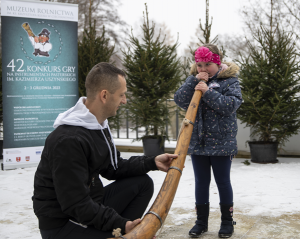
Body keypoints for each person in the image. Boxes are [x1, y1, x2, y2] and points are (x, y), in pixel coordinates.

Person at [32, 62, 178, 239]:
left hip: (88, 206)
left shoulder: (97, 126)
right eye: (122, 95)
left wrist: (151, 162)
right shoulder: (68, 141)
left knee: (142, 183)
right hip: (62, 224)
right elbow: (76, 204)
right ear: (104, 95)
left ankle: (124, 232)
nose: (124, 100)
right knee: (120, 224)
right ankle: (121, 232)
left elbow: (113, 168)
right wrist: (121, 224)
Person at [174, 44, 242, 238]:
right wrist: (192, 82)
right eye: (199, 65)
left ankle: (227, 222)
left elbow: (230, 106)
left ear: (217, 62)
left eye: (208, 64)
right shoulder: (194, 80)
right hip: (199, 143)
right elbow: (179, 99)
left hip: (222, 143)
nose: (203, 69)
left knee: (222, 182)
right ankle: (201, 222)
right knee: (201, 182)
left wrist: (208, 92)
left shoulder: (229, 82)